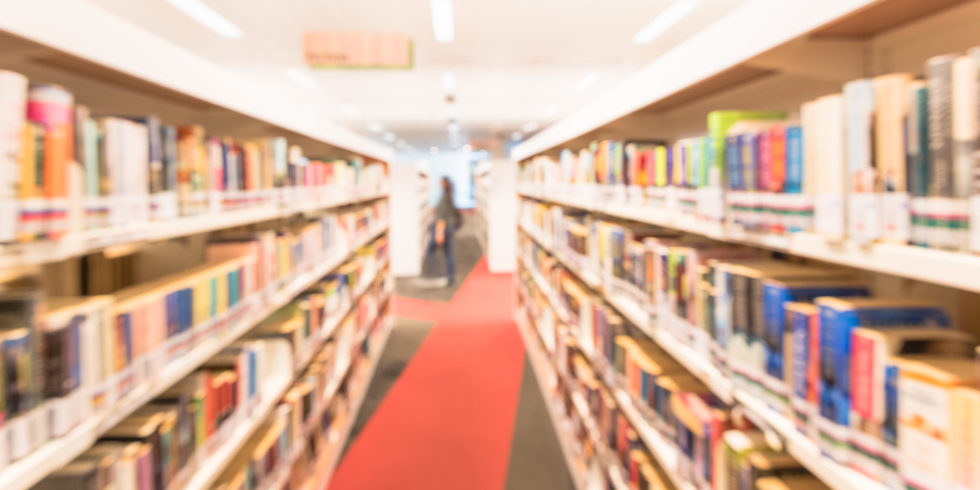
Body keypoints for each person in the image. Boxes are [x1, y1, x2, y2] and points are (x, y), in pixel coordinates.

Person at [423, 177, 463, 286]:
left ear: (444, 183)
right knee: (449, 253)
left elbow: (441, 217)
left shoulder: (444, 197)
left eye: (440, 181)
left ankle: (435, 273)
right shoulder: (449, 195)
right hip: (449, 228)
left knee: (431, 250)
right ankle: (450, 276)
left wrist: (439, 233)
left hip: (443, 229)